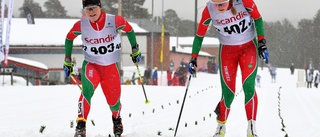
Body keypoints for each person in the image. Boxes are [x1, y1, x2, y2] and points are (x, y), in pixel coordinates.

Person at [187, 0, 269, 136]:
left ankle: (252, 128)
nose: (219, 7)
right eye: (216, 4)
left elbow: (258, 19)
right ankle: (221, 126)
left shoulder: (243, 2)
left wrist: (261, 42)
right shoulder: (209, 10)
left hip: (248, 48)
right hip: (227, 51)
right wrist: (194, 57)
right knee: (228, 92)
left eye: (222, 3)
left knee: (249, 86)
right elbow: (200, 35)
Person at [62, 0, 141, 136]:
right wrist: (67, 60)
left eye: (93, 8)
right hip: (92, 65)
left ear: (100, 7)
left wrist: (135, 49)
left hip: (111, 67)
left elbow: (129, 30)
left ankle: (116, 119)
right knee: (86, 91)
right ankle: (81, 125)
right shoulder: (82, 24)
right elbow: (69, 38)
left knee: (113, 102)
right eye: (87, 9)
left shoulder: (115, 21)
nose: (91, 12)